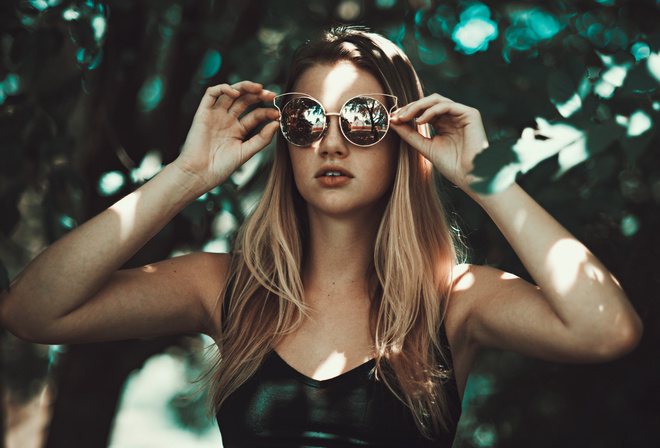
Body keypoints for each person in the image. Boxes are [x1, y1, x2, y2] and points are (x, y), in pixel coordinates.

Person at [0, 27, 643, 447]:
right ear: (287, 143)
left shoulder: (455, 300)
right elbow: (31, 311)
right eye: (307, 120)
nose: (330, 140)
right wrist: (185, 176)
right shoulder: (224, 287)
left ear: (402, 141)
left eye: (362, 119)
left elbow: (606, 329)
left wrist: (487, 180)